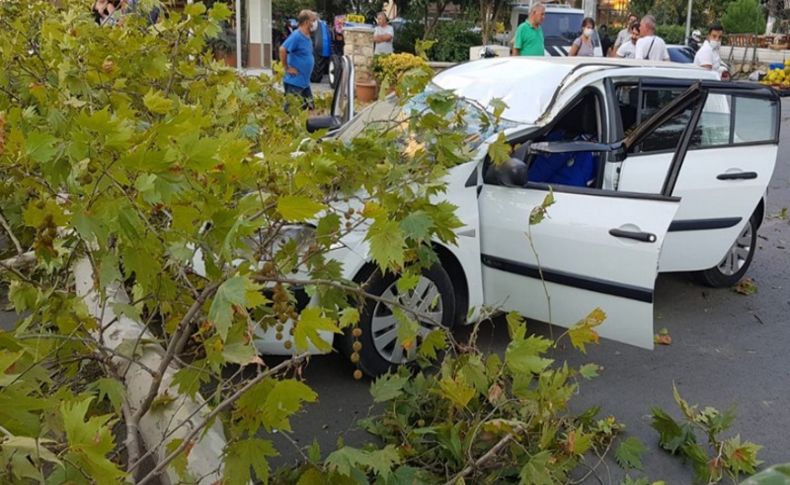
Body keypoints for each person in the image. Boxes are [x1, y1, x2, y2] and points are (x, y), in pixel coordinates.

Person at [279, 10, 317, 110]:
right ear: (306, 22)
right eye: (313, 20)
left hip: (304, 83)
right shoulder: (296, 36)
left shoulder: (307, 36)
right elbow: (282, 49)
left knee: (310, 108)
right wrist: (287, 68)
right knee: (291, 112)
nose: (315, 23)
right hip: (294, 83)